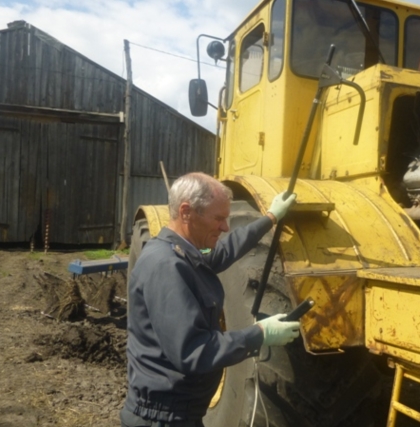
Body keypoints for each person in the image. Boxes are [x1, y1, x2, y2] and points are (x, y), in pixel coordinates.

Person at [121, 172, 298, 427]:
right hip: (160, 421)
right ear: (186, 212)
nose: (225, 227)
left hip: (180, 416)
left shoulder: (184, 252)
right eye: (218, 218)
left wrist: (270, 217)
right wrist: (259, 334)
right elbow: (193, 351)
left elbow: (226, 249)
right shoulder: (166, 266)